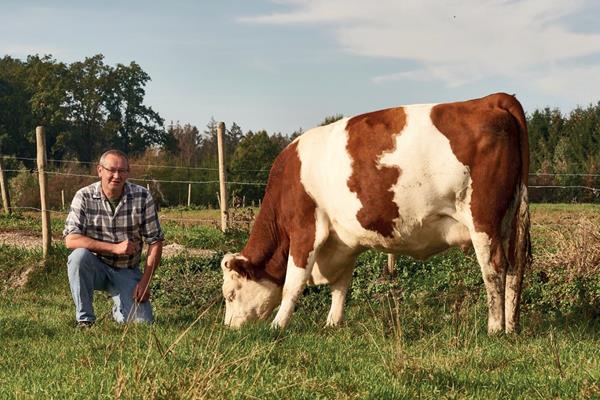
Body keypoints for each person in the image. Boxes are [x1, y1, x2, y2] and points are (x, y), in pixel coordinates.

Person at [63, 149, 164, 327]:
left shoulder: (142, 196)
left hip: (127, 269)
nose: (116, 176)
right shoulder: (84, 196)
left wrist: (145, 281)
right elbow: (71, 240)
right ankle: (85, 319)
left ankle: (120, 309)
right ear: (100, 170)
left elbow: (155, 241)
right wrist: (114, 248)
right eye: (111, 170)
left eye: (122, 171)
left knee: (141, 324)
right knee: (78, 257)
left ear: (128, 172)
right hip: (96, 267)